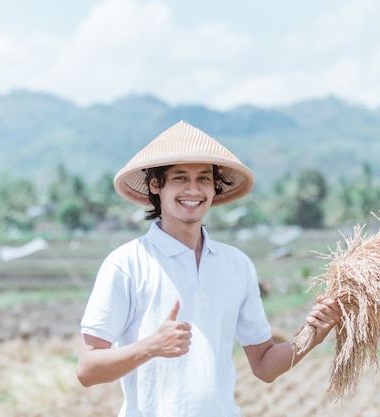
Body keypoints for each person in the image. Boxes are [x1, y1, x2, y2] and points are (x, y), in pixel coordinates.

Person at [77, 120, 342, 417]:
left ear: (214, 188)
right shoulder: (127, 263)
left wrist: (311, 336)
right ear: (156, 185)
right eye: (179, 178)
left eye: (203, 179)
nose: (193, 189)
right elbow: (88, 369)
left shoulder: (237, 265)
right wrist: (152, 345)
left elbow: (265, 365)